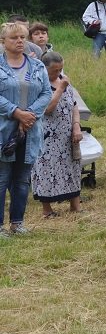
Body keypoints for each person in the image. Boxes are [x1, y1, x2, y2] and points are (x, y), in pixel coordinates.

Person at [0, 22, 52, 236]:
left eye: (22, 37)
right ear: (3, 42)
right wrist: (16, 112)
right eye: (14, 38)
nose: (20, 41)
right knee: (2, 179)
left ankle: (17, 223)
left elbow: (47, 93)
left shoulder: (37, 65)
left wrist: (29, 114)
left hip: (29, 131)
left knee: (22, 180)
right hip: (4, 131)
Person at [31, 51, 82, 218]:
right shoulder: (37, 83)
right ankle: (47, 210)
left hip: (67, 133)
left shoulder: (63, 78)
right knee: (47, 168)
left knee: (73, 166)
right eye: (54, 70)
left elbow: (74, 104)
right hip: (47, 136)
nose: (58, 73)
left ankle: (75, 205)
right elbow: (46, 109)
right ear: (44, 68)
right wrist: (60, 88)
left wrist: (76, 126)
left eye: (61, 69)